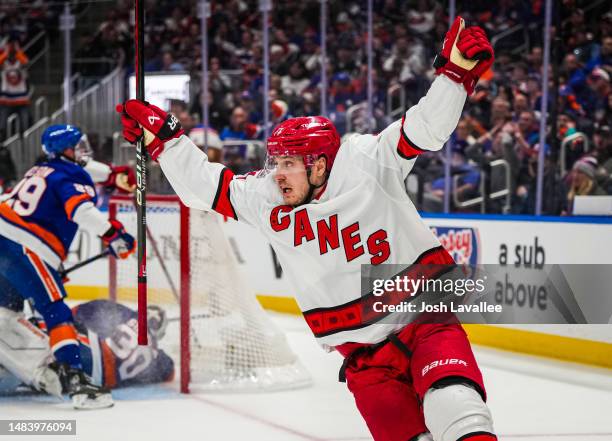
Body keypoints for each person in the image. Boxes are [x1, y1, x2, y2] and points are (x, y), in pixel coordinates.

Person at [117, 17, 496, 441]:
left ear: (319, 164)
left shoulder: (367, 160)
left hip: (426, 319)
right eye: (274, 162)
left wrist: (454, 77)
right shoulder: (268, 198)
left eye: (288, 164)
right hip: (362, 355)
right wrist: (166, 140)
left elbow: (425, 126)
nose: (277, 174)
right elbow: (204, 187)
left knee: (457, 407)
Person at [0, 124, 136, 409]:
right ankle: (77, 382)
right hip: (25, 245)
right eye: (78, 145)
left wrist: (112, 176)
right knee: (55, 309)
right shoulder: (70, 176)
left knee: (6, 309)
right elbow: (81, 211)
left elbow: (84, 169)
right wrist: (115, 235)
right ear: (65, 151)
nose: (84, 151)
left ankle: (10, 364)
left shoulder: (41, 169)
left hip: (6, 237)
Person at [0, 300, 174, 395]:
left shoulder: (124, 312)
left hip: (85, 355)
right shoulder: (157, 357)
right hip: (96, 383)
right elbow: (170, 371)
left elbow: (71, 316)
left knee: (20, 322)